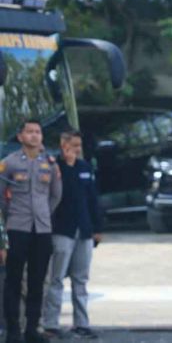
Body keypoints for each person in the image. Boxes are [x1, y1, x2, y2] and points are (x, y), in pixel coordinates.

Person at [0, 120, 62, 343]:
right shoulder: (9, 163)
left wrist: (44, 214)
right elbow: (1, 198)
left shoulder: (50, 163)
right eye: (30, 132)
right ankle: (14, 330)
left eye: (38, 132)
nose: (34, 136)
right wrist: (11, 217)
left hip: (42, 229)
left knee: (37, 281)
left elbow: (55, 195)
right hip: (18, 227)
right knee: (14, 281)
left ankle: (32, 329)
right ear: (20, 137)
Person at [43, 131, 102, 340]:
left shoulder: (85, 168)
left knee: (81, 279)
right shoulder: (54, 168)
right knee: (56, 278)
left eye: (79, 144)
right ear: (63, 145)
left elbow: (93, 199)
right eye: (73, 144)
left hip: (84, 230)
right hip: (61, 230)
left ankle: (81, 324)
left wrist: (97, 228)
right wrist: (66, 166)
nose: (77, 149)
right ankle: (50, 323)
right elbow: (57, 195)